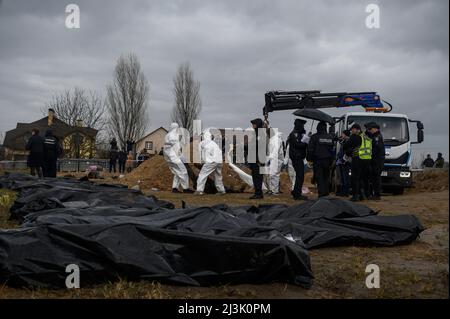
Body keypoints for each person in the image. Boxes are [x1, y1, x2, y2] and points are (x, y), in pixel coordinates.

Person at [344, 123, 372, 202]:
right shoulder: (366, 137)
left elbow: (345, 146)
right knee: (363, 178)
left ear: (356, 129)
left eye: (352, 130)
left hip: (358, 159)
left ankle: (355, 196)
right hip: (367, 160)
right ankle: (364, 195)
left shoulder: (355, 137)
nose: (352, 131)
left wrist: (349, 150)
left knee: (355, 178)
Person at [307, 121, 334, 198]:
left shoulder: (314, 137)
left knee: (319, 177)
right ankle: (326, 193)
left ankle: (321, 194)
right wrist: (331, 160)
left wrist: (309, 159)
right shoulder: (330, 137)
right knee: (326, 177)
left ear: (317, 127)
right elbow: (332, 150)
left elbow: (310, 149)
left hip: (318, 160)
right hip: (328, 160)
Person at [195, 130, 226, 195]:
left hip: (211, 161)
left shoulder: (202, 143)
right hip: (219, 161)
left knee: (202, 175)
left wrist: (201, 162)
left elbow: (200, 154)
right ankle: (221, 190)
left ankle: (199, 190)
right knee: (218, 175)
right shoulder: (214, 143)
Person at [164, 123, 192, 193]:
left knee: (177, 172)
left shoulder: (168, 135)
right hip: (173, 157)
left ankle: (175, 188)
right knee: (183, 171)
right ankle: (186, 189)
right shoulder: (173, 135)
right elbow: (176, 148)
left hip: (169, 157)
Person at [287, 119, 308, 200]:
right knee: (300, 176)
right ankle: (297, 194)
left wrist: (305, 137)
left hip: (298, 157)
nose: (303, 127)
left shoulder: (298, 133)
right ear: (299, 125)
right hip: (297, 157)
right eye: (302, 125)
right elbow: (297, 144)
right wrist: (306, 142)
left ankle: (296, 192)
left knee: (300, 176)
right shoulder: (294, 134)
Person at [248, 118, 265, 199]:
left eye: (254, 124)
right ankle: (258, 192)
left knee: (258, 176)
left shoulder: (261, 134)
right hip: (254, 159)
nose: (253, 126)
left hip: (258, 160)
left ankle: (258, 193)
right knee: (255, 176)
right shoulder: (256, 134)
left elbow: (262, 148)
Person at [367, 122, 385, 200]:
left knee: (376, 178)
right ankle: (375, 194)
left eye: (371, 129)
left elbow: (376, 149)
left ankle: (377, 195)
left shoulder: (377, 137)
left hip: (377, 160)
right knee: (374, 178)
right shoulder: (375, 136)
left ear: (375, 129)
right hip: (376, 160)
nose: (370, 130)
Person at [266, 128, 284, 195]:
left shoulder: (276, 140)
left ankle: (275, 190)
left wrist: (268, 159)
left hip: (276, 160)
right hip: (272, 159)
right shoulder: (272, 139)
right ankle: (271, 189)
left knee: (274, 175)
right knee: (270, 175)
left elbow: (275, 151)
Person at [336, 130, 351, 197]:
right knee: (342, 178)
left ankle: (345, 192)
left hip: (345, 162)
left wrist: (344, 160)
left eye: (342, 134)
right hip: (341, 161)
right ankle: (343, 192)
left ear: (345, 135)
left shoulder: (348, 142)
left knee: (345, 178)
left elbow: (347, 152)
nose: (341, 135)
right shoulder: (344, 141)